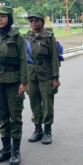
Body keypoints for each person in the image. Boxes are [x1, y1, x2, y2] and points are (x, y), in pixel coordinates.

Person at [0, 6, 28, 165]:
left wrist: (24, 82)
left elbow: (23, 61)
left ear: (9, 18)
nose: (0, 19)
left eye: (3, 16)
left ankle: (15, 151)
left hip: (14, 81)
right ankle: (6, 149)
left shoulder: (18, 37)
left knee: (15, 115)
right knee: (3, 115)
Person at [24, 11, 60, 144]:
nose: (33, 23)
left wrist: (55, 78)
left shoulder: (49, 37)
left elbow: (54, 58)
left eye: (36, 20)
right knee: (34, 102)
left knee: (47, 104)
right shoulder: (26, 37)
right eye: (31, 20)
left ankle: (47, 130)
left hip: (46, 75)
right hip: (31, 75)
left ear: (42, 22)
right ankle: (37, 129)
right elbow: (23, 59)